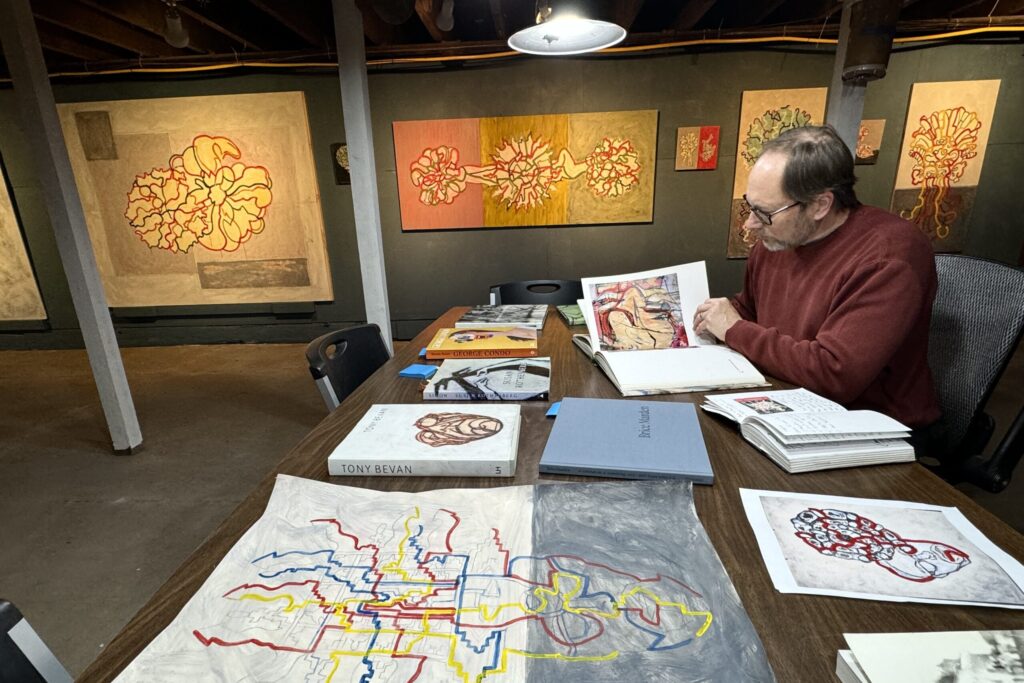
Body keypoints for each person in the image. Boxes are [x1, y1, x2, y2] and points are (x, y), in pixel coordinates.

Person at [693, 125, 940, 430]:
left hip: (868, 424)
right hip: (790, 396)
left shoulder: (890, 255)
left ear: (820, 205)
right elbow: (748, 312)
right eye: (750, 206)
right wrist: (711, 319)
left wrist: (734, 329)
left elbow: (835, 373)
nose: (750, 224)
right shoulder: (777, 239)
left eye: (765, 213)